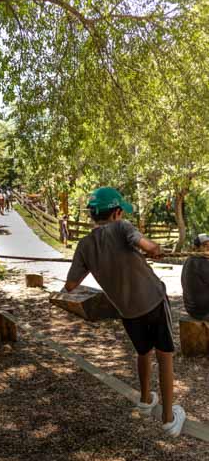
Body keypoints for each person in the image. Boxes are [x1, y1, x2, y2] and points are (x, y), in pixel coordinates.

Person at [63, 187, 186, 437]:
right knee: (165, 355)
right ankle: (169, 418)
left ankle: (144, 399)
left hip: (127, 311)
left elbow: (70, 285)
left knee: (142, 351)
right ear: (117, 212)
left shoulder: (85, 245)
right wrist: (154, 248)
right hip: (153, 300)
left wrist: (94, 262)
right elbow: (146, 246)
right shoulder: (121, 227)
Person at [181, 233, 209, 319]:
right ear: (196, 248)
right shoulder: (200, 261)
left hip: (193, 309)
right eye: (205, 245)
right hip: (203, 311)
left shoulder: (190, 260)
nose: (208, 248)